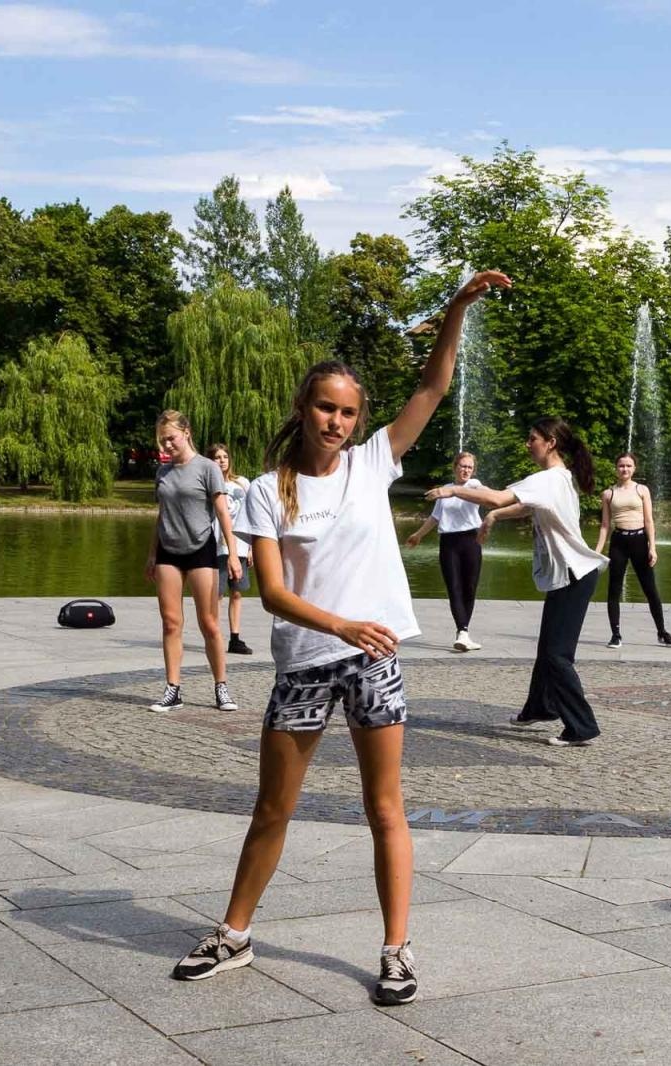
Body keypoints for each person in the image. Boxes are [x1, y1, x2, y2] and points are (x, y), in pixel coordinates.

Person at [169, 269, 512, 1006]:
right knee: (273, 809)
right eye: (326, 408)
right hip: (304, 667)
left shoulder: (372, 464)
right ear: (305, 407)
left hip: (374, 663)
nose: (337, 423)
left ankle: (396, 950)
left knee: (384, 808)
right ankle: (235, 935)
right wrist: (341, 624)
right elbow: (272, 594)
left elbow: (432, 386)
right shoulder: (266, 489)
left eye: (349, 413)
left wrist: (455, 308)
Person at [431, 417, 609, 747]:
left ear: (550, 443)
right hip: (568, 576)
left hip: (574, 575)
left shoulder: (549, 478)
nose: (528, 444)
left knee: (557, 656)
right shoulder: (557, 478)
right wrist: (495, 517)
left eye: (533, 439)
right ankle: (540, 708)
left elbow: (499, 497)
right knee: (548, 651)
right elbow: (523, 507)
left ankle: (582, 727)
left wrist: (455, 489)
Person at [147, 413, 241, 713]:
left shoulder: (207, 467)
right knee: (171, 622)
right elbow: (162, 514)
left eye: (171, 437)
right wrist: (152, 553)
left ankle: (221, 687)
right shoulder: (162, 472)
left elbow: (223, 513)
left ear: (186, 433)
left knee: (209, 623)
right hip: (168, 552)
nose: (167, 444)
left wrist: (234, 553)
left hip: (201, 550)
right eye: (163, 439)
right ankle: (173, 689)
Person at [594, 452, 671, 649]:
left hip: (639, 541)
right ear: (616, 468)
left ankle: (662, 632)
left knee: (651, 590)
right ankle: (615, 634)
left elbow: (649, 520)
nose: (625, 469)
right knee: (614, 590)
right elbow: (605, 525)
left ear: (634, 469)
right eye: (621, 466)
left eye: (629, 466)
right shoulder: (608, 494)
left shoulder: (642, 490)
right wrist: (597, 551)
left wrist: (653, 547)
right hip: (619, 542)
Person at [405, 452, 486, 652]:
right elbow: (435, 517)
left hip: (471, 540)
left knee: (469, 587)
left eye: (469, 467)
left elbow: (488, 493)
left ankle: (464, 632)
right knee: (454, 587)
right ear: (455, 467)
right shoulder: (445, 490)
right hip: (449, 543)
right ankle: (462, 631)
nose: (466, 470)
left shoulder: (474, 486)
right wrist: (418, 535)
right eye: (463, 466)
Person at [205, 444, 255, 656]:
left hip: (241, 546)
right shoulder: (208, 484)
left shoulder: (242, 483)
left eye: (225, 456)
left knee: (237, 592)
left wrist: (251, 546)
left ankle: (235, 637)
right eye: (217, 457)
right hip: (217, 546)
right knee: (217, 593)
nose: (222, 460)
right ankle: (214, 634)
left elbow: (253, 514)